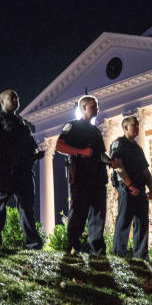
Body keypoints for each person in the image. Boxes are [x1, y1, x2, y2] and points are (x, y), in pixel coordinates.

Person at [0, 89, 44, 249]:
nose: (16, 99)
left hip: (24, 170)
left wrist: (36, 153)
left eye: (17, 97)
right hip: (5, 170)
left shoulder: (21, 122)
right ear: (2, 101)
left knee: (27, 207)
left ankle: (33, 243)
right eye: (12, 97)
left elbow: (32, 145)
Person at [54, 95, 111, 255]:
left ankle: (98, 251)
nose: (97, 109)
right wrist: (81, 152)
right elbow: (59, 146)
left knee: (98, 215)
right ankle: (73, 246)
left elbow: (100, 153)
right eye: (94, 106)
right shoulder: (72, 126)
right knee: (78, 213)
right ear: (84, 108)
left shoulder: (96, 131)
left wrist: (110, 162)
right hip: (80, 177)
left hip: (98, 178)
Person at [109, 115, 152, 258]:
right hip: (126, 189)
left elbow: (145, 171)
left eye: (138, 125)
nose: (137, 128)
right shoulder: (118, 144)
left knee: (142, 224)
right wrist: (130, 185)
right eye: (134, 125)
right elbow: (118, 167)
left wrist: (151, 189)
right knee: (124, 221)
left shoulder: (137, 148)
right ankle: (118, 255)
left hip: (140, 189)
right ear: (125, 127)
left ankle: (141, 257)